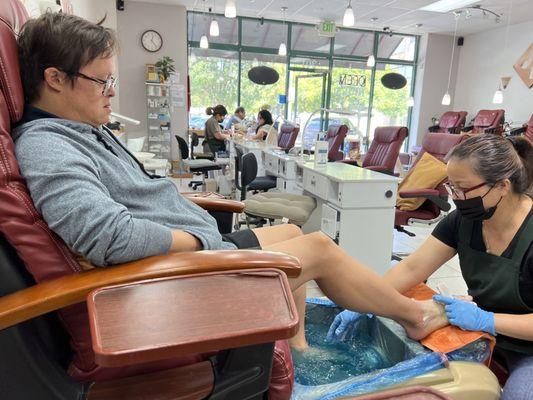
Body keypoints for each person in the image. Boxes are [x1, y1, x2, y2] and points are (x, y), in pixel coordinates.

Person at [13, 12, 447, 361]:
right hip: (165, 278)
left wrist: (194, 224)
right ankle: (415, 316)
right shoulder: (48, 144)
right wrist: (199, 239)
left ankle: (297, 354)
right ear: (54, 78)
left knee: (294, 234)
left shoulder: (81, 128)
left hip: (187, 254)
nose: (111, 92)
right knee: (319, 248)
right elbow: (109, 237)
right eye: (102, 81)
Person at [329, 135, 533, 399]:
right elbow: (411, 269)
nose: (457, 199)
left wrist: (487, 319)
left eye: (464, 189)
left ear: (503, 186)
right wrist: (365, 303)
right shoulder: (463, 221)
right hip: (481, 327)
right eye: (452, 188)